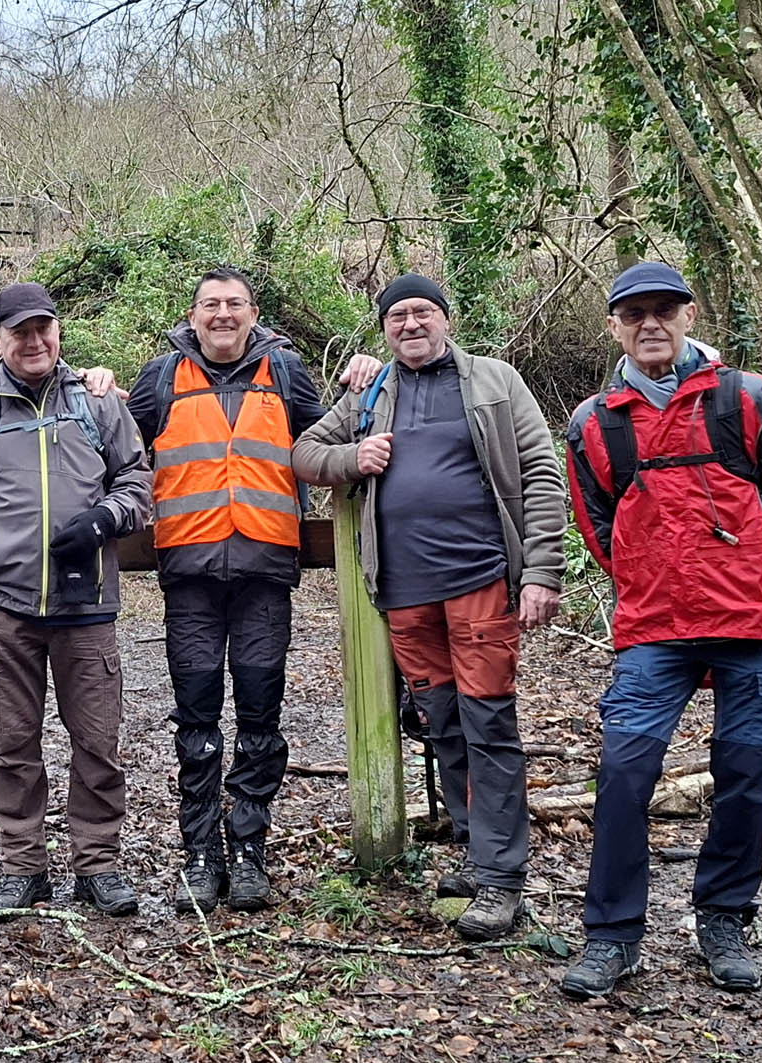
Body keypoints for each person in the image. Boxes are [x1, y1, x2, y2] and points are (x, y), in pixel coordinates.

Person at [555, 261, 762, 997]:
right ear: (614, 327)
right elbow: (599, 528)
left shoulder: (746, 399)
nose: (650, 324)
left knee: (744, 775)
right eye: (633, 313)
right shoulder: (595, 423)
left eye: (664, 310)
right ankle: (612, 936)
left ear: (689, 316)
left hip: (751, 620)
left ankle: (725, 919)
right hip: (655, 627)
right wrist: (649, 579)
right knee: (624, 772)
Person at [293, 273, 567, 940]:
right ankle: (477, 852)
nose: (411, 324)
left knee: (488, 721)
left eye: (422, 312)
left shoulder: (496, 381)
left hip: (480, 581)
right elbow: (303, 453)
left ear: (446, 319)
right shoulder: (371, 392)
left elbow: (541, 472)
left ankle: (502, 880)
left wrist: (542, 572)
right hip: (405, 590)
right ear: (384, 328)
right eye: (398, 316)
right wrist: (353, 456)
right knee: (442, 722)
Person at [106, 266, 382, 913]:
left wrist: (366, 379)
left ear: (253, 313)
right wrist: (96, 389)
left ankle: (250, 849)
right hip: (189, 577)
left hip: (265, 571)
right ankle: (201, 854)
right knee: (196, 718)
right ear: (193, 315)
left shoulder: (283, 371)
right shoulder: (162, 376)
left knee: (261, 716)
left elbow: (328, 438)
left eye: (234, 303)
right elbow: (116, 445)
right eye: (211, 304)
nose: (223, 314)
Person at [0, 282, 153, 917]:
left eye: (43, 328)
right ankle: (22, 866)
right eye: (20, 332)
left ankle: (98, 864)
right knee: (12, 747)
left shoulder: (96, 403)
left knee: (98, 743)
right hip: (3, 609)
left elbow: (137, 481)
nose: (34, 341)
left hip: (88, 607)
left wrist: (106, 518)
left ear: (57, 331)